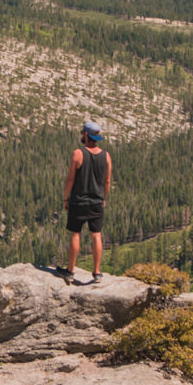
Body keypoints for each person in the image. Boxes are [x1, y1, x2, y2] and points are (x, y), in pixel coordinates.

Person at [59, 120, 111, 284]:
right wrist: (103, 198)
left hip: (79, 201)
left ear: (86, 135)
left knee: (75, 234)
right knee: (96, 235)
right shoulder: (106, 156)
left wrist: (66, 198)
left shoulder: (78, 154)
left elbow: (70, 179)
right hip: (96, 201)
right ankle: (96, 272)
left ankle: (70, 271)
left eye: (83, 133)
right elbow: (107, 181)